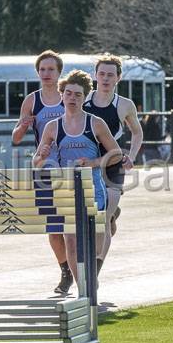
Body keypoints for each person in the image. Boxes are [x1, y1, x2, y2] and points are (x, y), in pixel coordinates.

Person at [34, 70, 123, 293]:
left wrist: (93, 162)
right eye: (69, 94)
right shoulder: (53, 127)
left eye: (78, 95)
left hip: (94, 189)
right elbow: (36, 162)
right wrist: (42, 155)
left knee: (92, 244)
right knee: (71, 241)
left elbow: (116, 154)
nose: (72, 98)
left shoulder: (96, 123)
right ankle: (84, 288)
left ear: (85, 98)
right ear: (61, 95)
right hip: (67, 190)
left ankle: (89, 278)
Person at [12, 50, 71, 293]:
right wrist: (24, 125)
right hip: (45, 169)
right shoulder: (32, 100)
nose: (46, 74)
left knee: (74, 224)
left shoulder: (70, 95)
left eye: (51, 70)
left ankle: (82, 268)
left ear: (59, 73)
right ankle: (66, 271)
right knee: (54, 226)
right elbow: (15, 138)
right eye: (42, 69)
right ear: (38, 72)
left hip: (73, 167)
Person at [84, 54, 143, 275]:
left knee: (103, 219)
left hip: (113, 164)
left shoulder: (124, 105)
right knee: (96, 217)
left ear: (118, 78)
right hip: (88, 164)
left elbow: (137, 132)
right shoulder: (84, 101)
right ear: (95, 76)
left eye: (110, 75)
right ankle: (111, 214)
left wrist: (132, 156)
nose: (105, 79)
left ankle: (96, 269)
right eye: (102, 74)